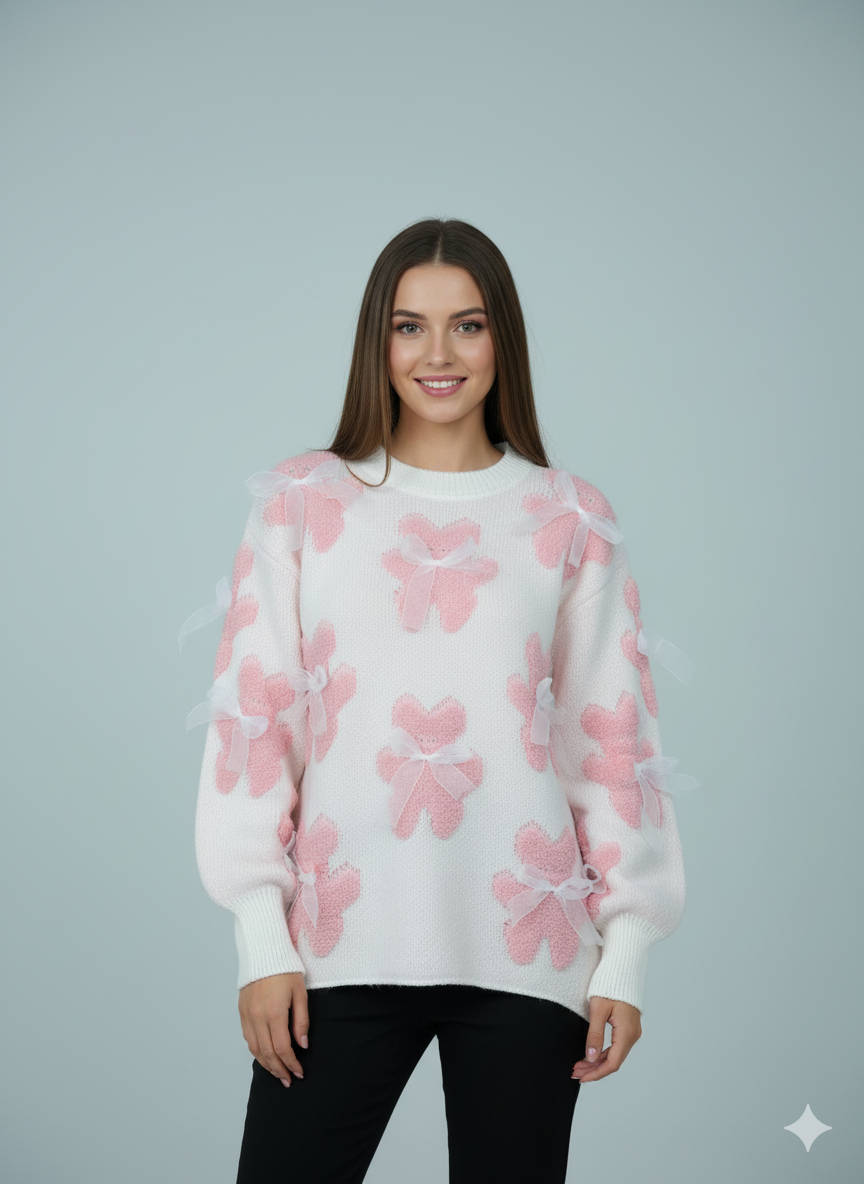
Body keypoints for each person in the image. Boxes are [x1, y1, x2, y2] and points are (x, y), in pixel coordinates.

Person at [190, 217, 692, 1184]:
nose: (438, 354)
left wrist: (626, 947)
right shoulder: (302, 503)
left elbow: (614, 742)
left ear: (503, 337)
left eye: (467, 325)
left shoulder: (569, 517)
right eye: (409, 326)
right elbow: (255, 726)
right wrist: (260, 937)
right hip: (336, 946)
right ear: (377, 342)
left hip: (528, 948)